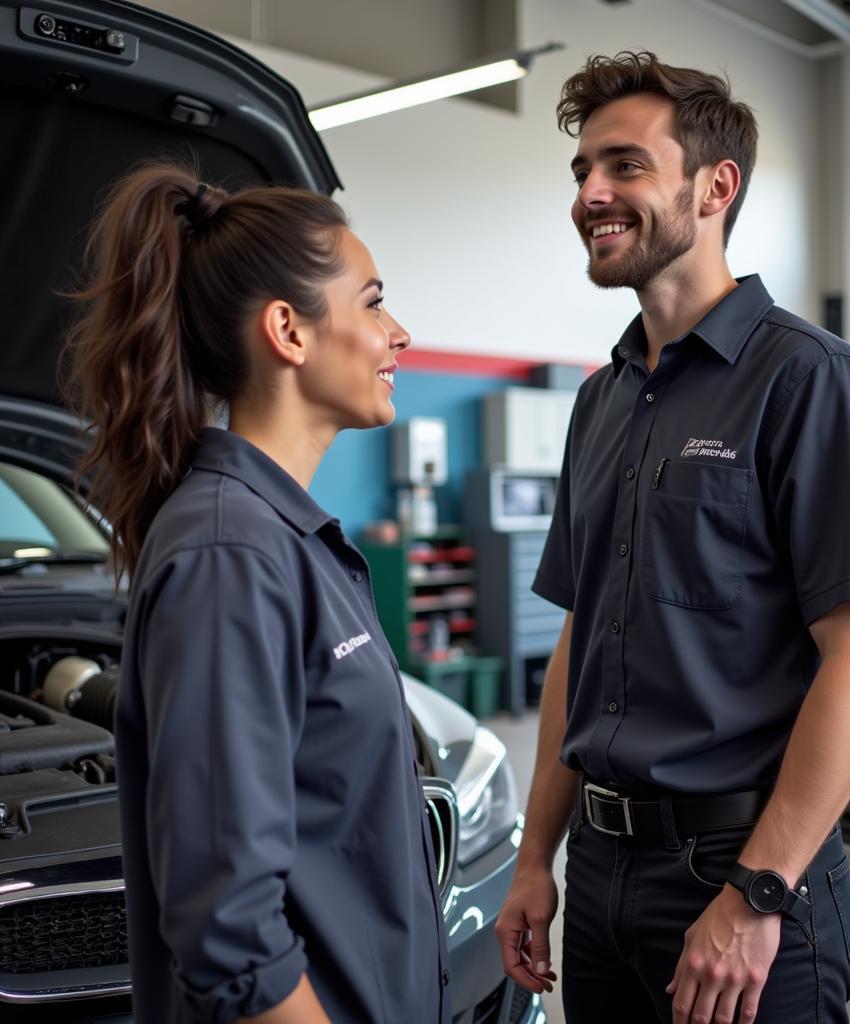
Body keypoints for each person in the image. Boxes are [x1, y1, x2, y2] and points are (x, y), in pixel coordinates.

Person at [495, 52, 850, 1024]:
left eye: (625, 165)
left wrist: (756, 893)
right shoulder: (597, 401)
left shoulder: (808, 382)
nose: (590, 193)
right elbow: (577, 642)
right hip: (598, 875)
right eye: (581, 171)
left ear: (713, 186)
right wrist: (533, 858)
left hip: (744, 869)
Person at [67, 163, 450, 1024]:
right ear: (289, 330)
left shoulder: (283, 536)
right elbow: (228, 922)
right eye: (374, 301)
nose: (400, 333)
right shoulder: (228, 552)